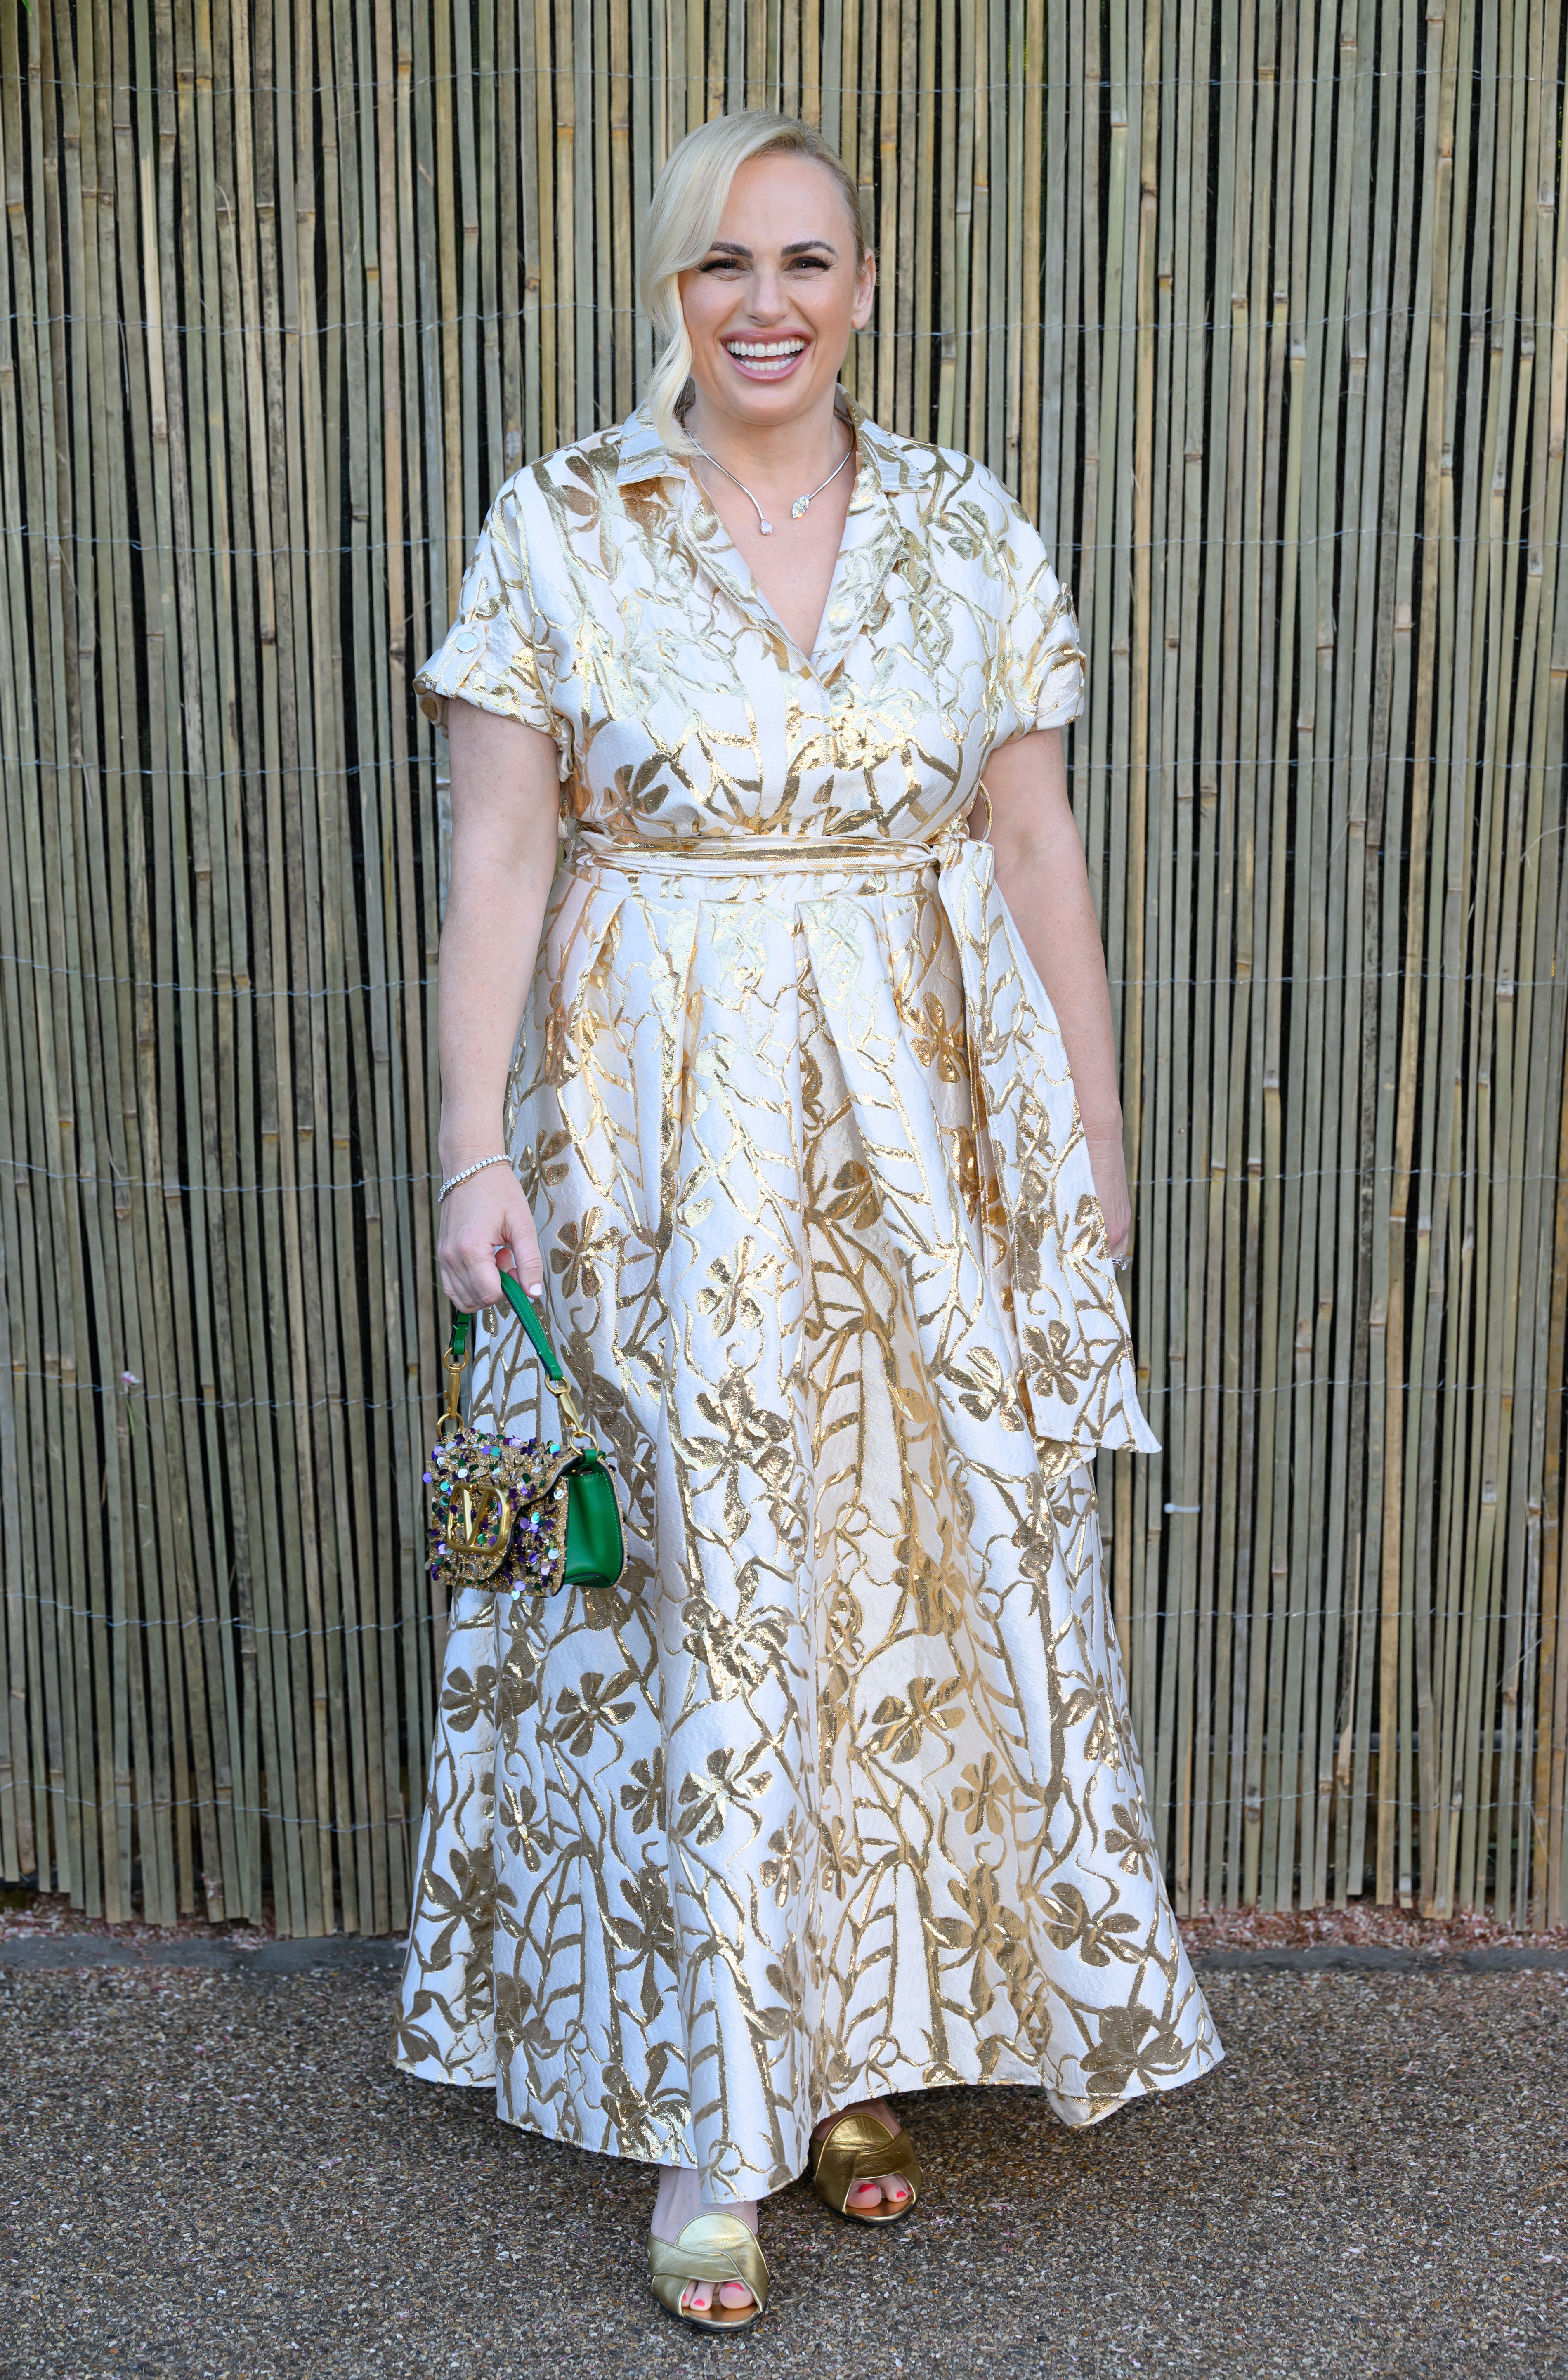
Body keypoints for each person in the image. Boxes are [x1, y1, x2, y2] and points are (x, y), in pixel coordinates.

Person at [393, 109, 1221, 2333]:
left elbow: (1033, 845)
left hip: (922, 1140)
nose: (765, 302)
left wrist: (1094, 1127)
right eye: (721, 263)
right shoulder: (563, 525)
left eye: (807, 262)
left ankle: (844, 2052)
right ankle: (704, 2103)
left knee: (887, 1569)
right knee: (688, 1575)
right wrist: (472, 1149)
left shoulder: (959, 527)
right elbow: (496, 859)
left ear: (861, 288)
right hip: (650, 1144)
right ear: (668, 287)